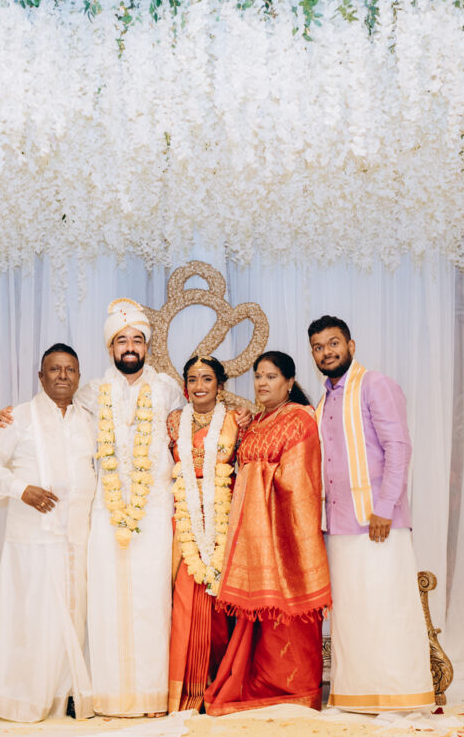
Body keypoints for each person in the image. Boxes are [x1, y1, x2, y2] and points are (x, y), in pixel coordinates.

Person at [309, 315, 434, 712]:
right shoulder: (325, 400)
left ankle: (400, 693)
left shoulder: (374, 384)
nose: (327, 352)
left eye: (333, 343)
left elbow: (398, 447)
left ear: (351, 345)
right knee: (352, 612)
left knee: (388, 606)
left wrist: (385, 506)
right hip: (340, 525)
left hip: (377, 521)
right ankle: (357, 693)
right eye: (318, 347)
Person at [204, 351, 331, 715]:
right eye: (258, 376)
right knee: (259, 619)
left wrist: (256, 475)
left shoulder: (300, 418)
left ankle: (294, 690)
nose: (262, 383)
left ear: (289, 382)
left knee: (286, 618)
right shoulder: (257, 421)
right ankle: (259, 684)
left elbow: (300, 482)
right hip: (256, 541)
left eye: (271, 376)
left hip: (285, 538)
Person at [0, 343, 95, 722]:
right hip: (33, 540)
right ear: (41, 376)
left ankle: (68, 691)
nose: (63, 375)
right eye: (54, 369)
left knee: (75, 616)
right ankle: (25, 696)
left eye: (70, 369)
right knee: (33, 619)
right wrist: (21, 489)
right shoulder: (19, 417)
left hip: (78, 539)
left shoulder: (88, 421)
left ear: (79, 377)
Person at [81, 299, 185, 716]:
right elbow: (57, 415)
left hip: (154, 510)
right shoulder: (91, 393)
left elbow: (193, 432)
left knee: (151, 601)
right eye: (121, 340)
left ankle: (151, 694)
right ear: (110, 347)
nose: (129, 347)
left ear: (147, 346)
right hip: (105, 512)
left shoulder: (168, 390)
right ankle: (108, 694)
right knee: (105, 599)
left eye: (137, 340)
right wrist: (10, 417)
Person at [167, 356, 239, 713]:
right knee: (184, 600)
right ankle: (184, 693)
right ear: (185, 386)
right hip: (183, 517)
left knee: (219, 607)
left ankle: (217, 686)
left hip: (223, 515)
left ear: (220, 386)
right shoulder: (172, 422)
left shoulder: (237, 420)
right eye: (193, 379)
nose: (199, 386)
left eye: (207, 379)